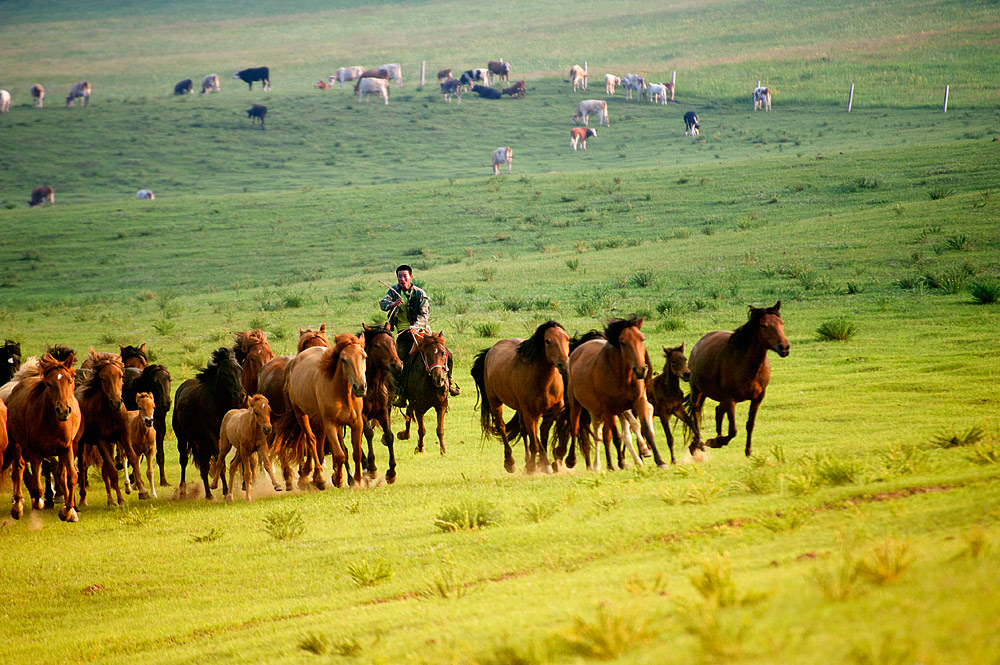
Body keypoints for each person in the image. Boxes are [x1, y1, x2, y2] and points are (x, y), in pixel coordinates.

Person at [379, 265, 459, 407]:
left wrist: (415, 327)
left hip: (422, 333)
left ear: (411, 277)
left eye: (405, 276)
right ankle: (401, 393)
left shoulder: (419, 293)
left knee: (447, 354)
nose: (402, 279)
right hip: (403, 335)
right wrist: (393, 304)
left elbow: (424, 314)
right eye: (399, 276)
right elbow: (383, 304)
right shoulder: (393, 291)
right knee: (398, 362)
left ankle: (450, 383)